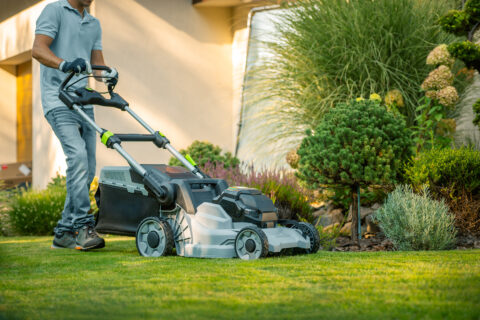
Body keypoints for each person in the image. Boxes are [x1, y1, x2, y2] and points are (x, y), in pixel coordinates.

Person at [32, 0, 118, 250]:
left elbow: (98, 68)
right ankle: (82, 225)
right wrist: (64, 64)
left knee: (88, 167)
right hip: (58, 99)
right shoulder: (54, 11)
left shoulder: (93, 22)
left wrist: (109, 74)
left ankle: (63, 233)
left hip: (84, 101)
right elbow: (38, 49)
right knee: (77, 156)